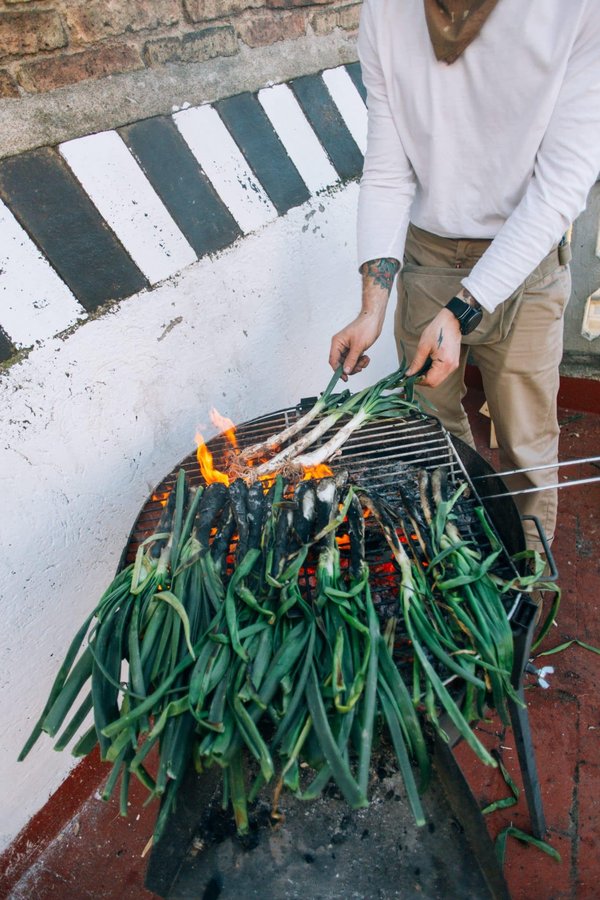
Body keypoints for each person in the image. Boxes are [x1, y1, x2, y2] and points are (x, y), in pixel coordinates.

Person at [329, 0, 600, 552]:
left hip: (526, 258)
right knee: (432, 437)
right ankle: (456, 560)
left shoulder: (576, 9)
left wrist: (463, 308)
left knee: (525, 446)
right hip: (428, 252)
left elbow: (562, 185)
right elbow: (388, 172)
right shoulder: (385, 10)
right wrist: (371, 309)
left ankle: (526, 580)